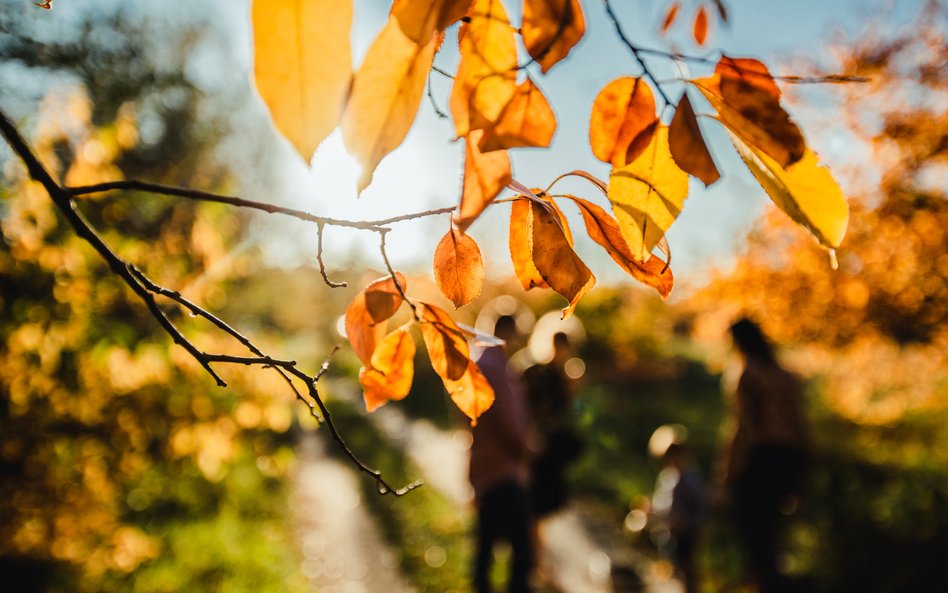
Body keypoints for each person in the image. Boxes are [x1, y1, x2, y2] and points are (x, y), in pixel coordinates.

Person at [719, 317, 810, 593]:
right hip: (788, 456)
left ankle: (765, 584)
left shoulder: (747, 373)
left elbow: (744, 426)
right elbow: (799, 420)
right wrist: (804, 460)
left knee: (753, 532)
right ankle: (772, 581)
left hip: (759, 459)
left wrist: (727, 470)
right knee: (771, 530)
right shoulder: (783, 374)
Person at [470, 315, 535, 593]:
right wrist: (523, 448)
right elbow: (500, 416)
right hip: (500, 468)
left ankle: (483, 585)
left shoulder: (489, 362)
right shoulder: (491, 365)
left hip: (490, 465)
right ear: (505, 331)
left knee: (487, 539)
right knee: (521, 546)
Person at [522, 331, 583, 519]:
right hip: (536, 439)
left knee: (543, 502)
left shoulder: (564, 374)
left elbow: (569, 409)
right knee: (535, 497)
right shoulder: (536, 371)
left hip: (551, 442)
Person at [648, 426, 707, 593]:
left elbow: (700, 505)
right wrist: (651, 508)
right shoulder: (667, 478)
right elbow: (664, 504)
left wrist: (697, 525)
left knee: (686, 569)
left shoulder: (690, 479)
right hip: (670, 531)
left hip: (687, 532)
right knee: (672, 566)